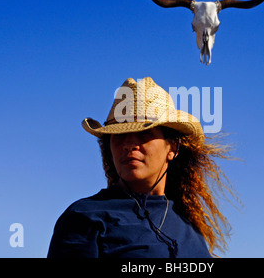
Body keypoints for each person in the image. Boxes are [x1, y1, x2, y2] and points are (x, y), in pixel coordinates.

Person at [47, 77, 236, 258]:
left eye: (144, 133)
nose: (129, 144)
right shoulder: (85, 217)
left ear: (173, 147)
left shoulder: (190, 228)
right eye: (119, 135)